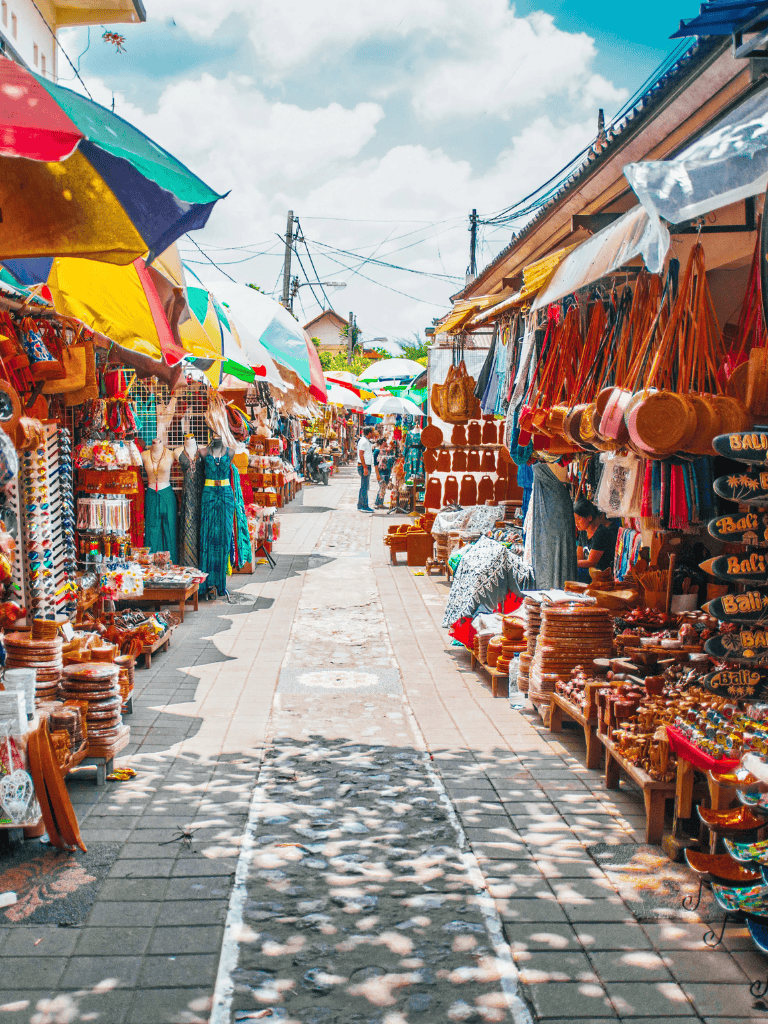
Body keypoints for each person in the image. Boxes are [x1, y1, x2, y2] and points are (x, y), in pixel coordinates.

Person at [573, 495, 617, 582]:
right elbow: (579, 557)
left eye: (578, 518)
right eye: (574, 519)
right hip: (590, 574)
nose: (576, 522)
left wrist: (569, 563)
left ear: (589, 517)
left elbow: (591, 562)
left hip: (602, 577)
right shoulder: (583, 532)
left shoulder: (601, 533)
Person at [357, 426, 376, 513]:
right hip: (364, 466)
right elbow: (361, 454)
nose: (373, 433)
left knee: (363, 486)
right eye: (372, 432)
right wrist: (365, 467)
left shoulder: (366, 441)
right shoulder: (364, 442)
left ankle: (360, 505)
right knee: (365, 486)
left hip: (365, 465)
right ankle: (364, 506)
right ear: (369, 433)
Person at [373, 437, 395, 509]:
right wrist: (377, 474)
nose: (386, 443)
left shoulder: (388, 451)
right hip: (381, 471)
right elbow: (375, 464)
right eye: (385, 441)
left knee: (384, 488)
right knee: (381, 486)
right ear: (383, 442)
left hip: (387, 471)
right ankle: (377, 503)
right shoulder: (376, 451)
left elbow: (392, 460)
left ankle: (380, 503)